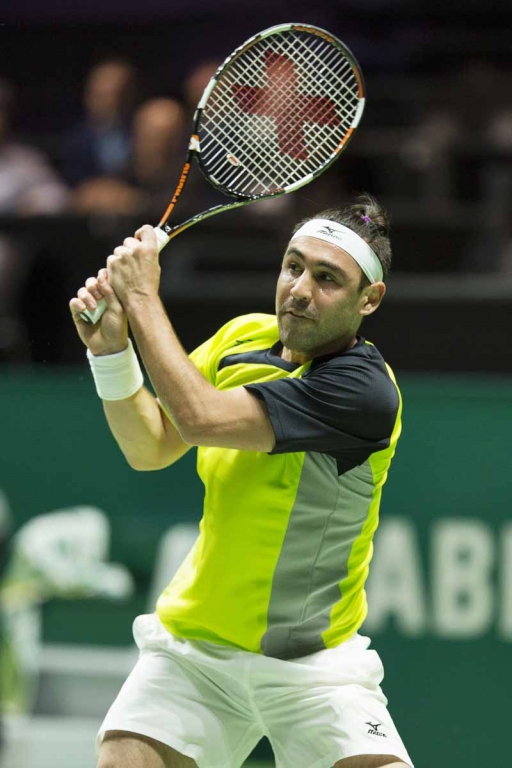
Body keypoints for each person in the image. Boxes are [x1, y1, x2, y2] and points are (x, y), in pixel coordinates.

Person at [69, 192, 413, 768]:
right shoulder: (241, 338)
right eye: (293, 266)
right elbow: (151, 446)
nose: (299, 290)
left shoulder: (363, 391)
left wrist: (142, 296)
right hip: (196, 653)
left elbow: (199, 417)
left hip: (313, 666)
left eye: (327, 278)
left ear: (369, 298)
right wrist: (111, 354)